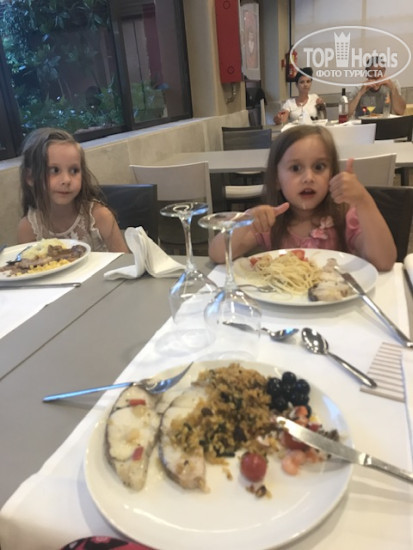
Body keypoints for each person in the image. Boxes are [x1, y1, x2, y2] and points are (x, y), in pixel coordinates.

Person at [208, 125, 396, 272]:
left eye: (319, 167)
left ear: (332, 174)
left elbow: (384, 261)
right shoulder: (271, 222)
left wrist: (363, 201)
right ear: (276, 179)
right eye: (295, 168)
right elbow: (217, 255)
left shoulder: (345, 216)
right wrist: (246, 221)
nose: (308, 178)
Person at [17, 127, 129, 252]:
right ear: (30, 177)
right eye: (54, 170)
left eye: (74, 170)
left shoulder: (99, 216)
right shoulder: (28, 228)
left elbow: (125, 261)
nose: (66, 180)